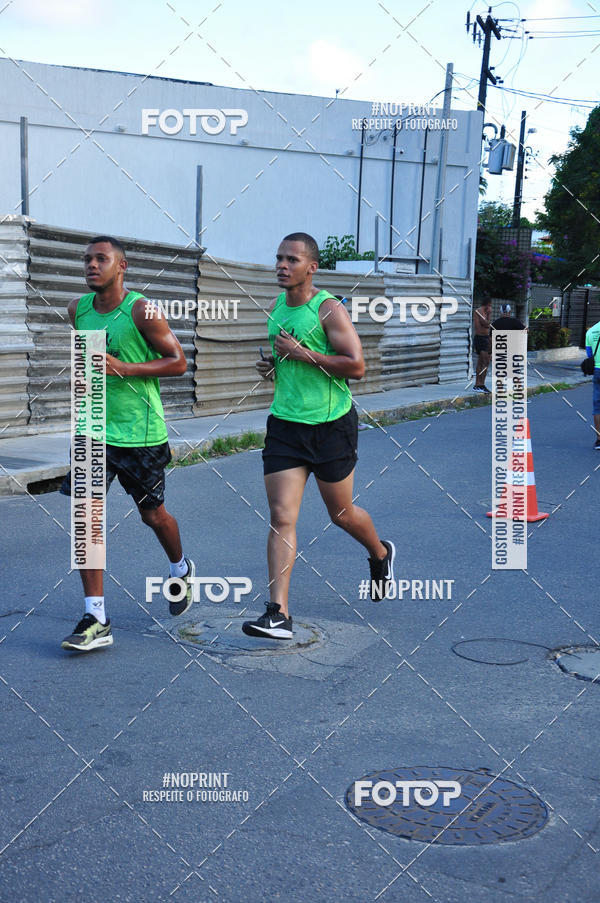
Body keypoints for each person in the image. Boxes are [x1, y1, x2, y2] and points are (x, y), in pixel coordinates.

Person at [242, 232, 395, 640]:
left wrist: (302, 355)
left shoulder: (328, 309)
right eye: (278, 258)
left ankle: (380, 552)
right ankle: (278, 613)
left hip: (331, 425)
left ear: (311, 267)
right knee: (281, 516)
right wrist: (273, 369)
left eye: (291, 259)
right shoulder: (275, 308)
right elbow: (285, 363)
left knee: (341, 514)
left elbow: (356, 366)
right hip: (286, 425)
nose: (282, 265)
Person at [60, 236, 195, 651]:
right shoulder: (77, 309)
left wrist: (123, 368)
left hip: (140, 433)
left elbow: (178, 361)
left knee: (153, 516)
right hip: (93, 428)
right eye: (87, 259)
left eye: (101, 259)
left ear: (122, 266)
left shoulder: (142, 309)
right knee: (86, 521)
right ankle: (96, 616)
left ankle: (180, 568)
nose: (91, 265)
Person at [584, 317, 600, 449]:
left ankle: (599, 440)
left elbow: (589, 355)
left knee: (597, 406)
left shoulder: (591, 331)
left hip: (597, 371)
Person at [473, 299, 492, 393]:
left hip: (484, 338)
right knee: (484, 362)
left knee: (483, 362)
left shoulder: (483, 311)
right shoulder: (480, 311)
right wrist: (488, 314)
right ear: (488, 304)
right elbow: (486, 324)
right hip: (480, 338)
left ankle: (480, 384)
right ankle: (479, 384)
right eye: (490, 305)